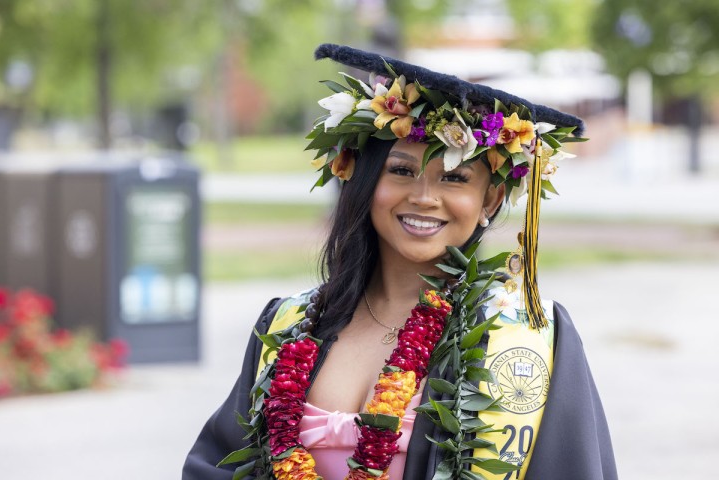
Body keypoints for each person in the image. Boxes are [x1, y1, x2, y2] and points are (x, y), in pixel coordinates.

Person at [183, 44, 617, 480]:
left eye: (454, 177)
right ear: (362, 178)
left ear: (491, 197)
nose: (424, 198)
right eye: (401, 171)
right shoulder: (289, 325)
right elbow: (218, 466)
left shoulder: (527, 342)